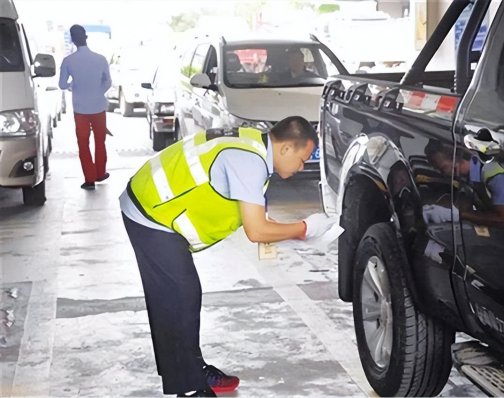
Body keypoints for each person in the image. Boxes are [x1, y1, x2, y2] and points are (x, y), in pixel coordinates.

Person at [120, 116, 335, 397]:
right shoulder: (248, 162)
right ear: (285, 149)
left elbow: (258, 219)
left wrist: (297, 235)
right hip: (150, 213)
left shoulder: (255, 146)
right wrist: (306, 227)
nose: (301, 167)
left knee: (180, 296)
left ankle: (191, 370)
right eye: (302, 158)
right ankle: (189, 386)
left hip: (156, 207)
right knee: (179, 297)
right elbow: (256, 231)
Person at [59, 24, 112, 190]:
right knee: (100, 141)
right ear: (86, 37)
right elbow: (108, 82)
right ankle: (100, 172)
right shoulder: (100, 59)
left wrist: (73, 85)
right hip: (98, 107)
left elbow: (61, 84)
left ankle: (89, 179)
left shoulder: (68, 61)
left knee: (83, 144)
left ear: (73, 40)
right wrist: (97, 92)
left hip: (80, 109)